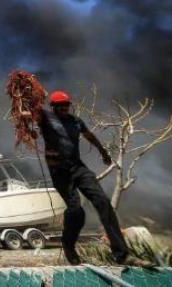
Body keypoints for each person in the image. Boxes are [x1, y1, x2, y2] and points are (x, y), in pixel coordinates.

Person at [26, 90, 133, 265]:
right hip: (59, 171)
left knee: (102, 202)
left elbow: (89, 135)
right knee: (76, 211)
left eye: (65, 105)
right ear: (53, 107)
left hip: (78, 167)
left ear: (69, 106)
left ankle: (120, 252)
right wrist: (26, 124)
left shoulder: (75, 121)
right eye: (59, 106)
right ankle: (68, 245)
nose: (63, 109)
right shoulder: (45, 117)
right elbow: (26, 113)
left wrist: (103, 152)